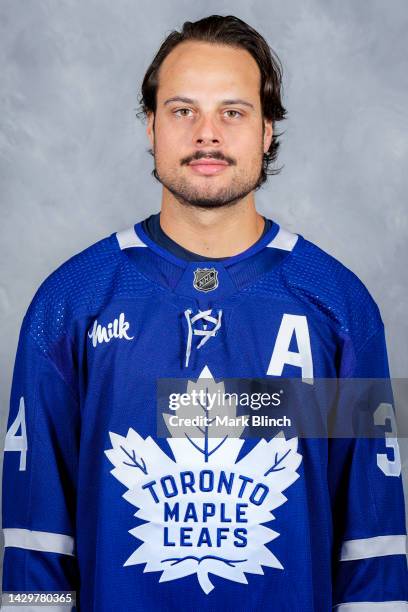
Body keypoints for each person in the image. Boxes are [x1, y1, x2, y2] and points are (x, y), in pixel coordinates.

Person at [2, 14, 407, 612]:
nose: (207, 134)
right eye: (183, 110)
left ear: (267, 130)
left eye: (234, 112)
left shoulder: (339, 305)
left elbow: (372, 538)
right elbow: (37, 539)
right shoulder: (69, 303)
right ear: (151, 126)